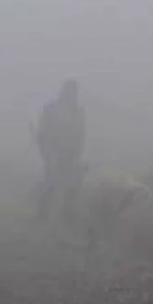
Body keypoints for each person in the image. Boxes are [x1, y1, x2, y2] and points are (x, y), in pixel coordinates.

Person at [35, 79, 87, 223]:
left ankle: (68, 217)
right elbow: (42, 133)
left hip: (71, 155)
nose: (71, 94)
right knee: (51, 184)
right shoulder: (51, 109)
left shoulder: (78, 112)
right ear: (63, 91)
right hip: (53, 153)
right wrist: (48, 154)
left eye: (73, 91)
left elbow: (81, 135)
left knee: (73, 186)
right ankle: (41, 216)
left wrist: (78, 154)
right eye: (68, 90)